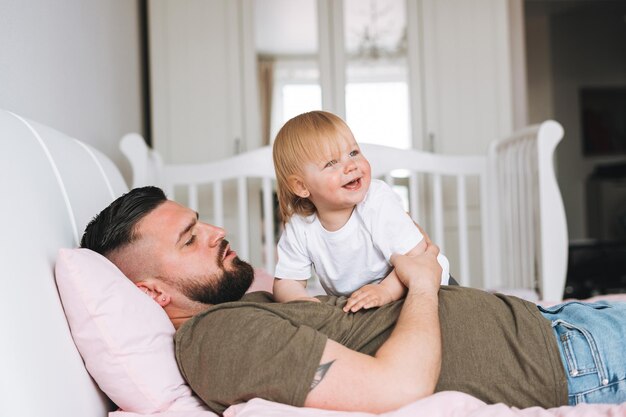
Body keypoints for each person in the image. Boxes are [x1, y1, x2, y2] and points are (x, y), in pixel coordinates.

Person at [81, 186, 626, 414]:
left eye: (201, 223)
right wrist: (423, 283)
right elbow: (399, 387)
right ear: (150, 292)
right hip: (569, 361)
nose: (217, 232)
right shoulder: (216, 340)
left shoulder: (245, 305)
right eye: (189, 239)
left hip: (558, 330)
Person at [272, 110, 450, 312]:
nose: (350, 166)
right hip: (370, 303)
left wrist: (385, 291)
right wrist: (304, 304)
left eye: (353, 153)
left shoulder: (377, 201)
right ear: (301, 186)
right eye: (331, 163)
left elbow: (418, 259)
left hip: (432, 286)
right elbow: (287, 281)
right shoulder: (301, 225)